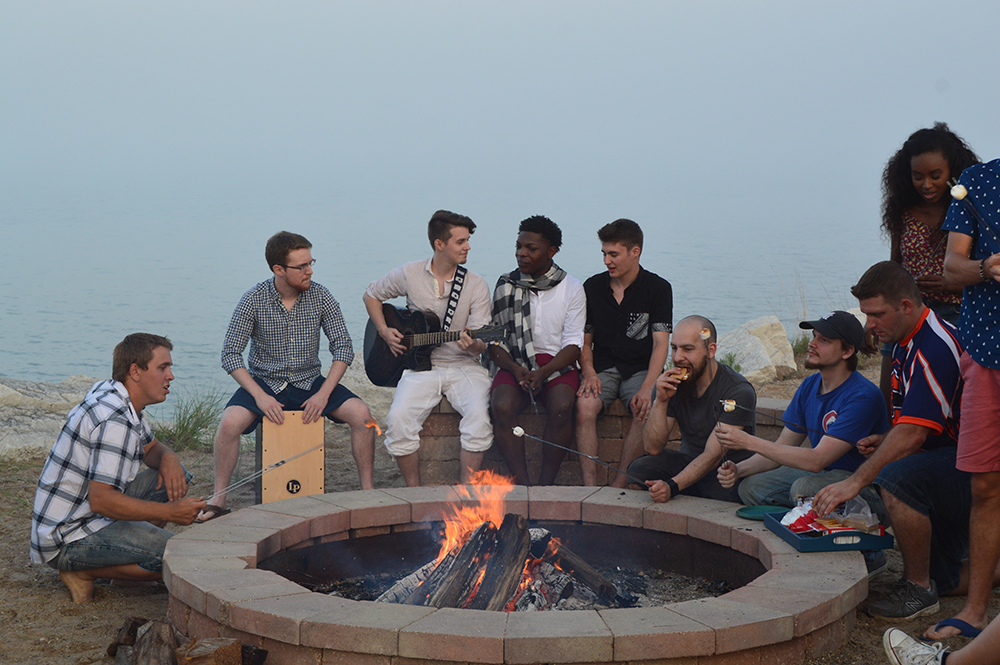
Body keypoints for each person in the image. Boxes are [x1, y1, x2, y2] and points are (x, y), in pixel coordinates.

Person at [814, 261, 966, 622]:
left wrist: (854, 481)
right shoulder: (905, 339)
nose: (869, 325)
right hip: (948, 455)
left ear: (906, 307)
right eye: (866, 315)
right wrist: (885, 439)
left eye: (877, 314)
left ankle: (917, 589)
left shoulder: (933, 347)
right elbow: (922, 421)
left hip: (972, 463)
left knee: (896, 478)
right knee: (947, 579)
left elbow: (914, 433)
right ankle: (934, 581)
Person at [199, 231, 375, 521]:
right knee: (230, 423)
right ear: (278, 269)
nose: (310, 271)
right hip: (264, 383)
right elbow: (230, 354)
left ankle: (367, 492)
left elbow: (343, 346)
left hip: (310, 381)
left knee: (363, 415)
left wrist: (324, 393)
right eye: (302, 266)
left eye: (311, 263)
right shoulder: (253, 299)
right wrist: (259, 396)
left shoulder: (321, 295)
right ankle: (219, 497)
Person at [30, 334, 206, 603]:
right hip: (66, 537)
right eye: (162, 368)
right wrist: (170, 512)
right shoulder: (114, 419)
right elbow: (102, 500)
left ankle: (125, 573)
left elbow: (152, 449)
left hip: (85, 514)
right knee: (177, 556)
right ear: (135, 371)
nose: (170, 376)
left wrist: (169, 458)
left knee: (177, 475)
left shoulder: (118, 396)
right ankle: (83, 573)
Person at [921, 158, 1000, 640]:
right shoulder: (978, 181)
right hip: (988, 350)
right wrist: (986, 267)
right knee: (985, 488)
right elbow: (951, 269)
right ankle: (975, 610)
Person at [363, 210, 493, 486]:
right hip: (420, 368)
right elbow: (371, 295)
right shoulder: (409, 273)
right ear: (439, 244)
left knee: (480, 419)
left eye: (468, 240)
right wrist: (385, 331)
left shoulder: (476, 285)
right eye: (460, 242)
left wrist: (474, 345)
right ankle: (415, 490)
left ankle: (466, 493)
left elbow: (481, 342)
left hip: (464, 367)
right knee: (398, 421)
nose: (468, 247)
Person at [716, 311, 888, 512]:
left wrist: (747, 441)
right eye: (814, 335)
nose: (812, 344)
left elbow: (817, 460)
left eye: (823, 340)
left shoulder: (863, 396)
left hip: (864, 486)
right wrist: (738, 470)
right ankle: (802, 516)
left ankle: (811, 516)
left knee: (805, 488)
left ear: (847, 351)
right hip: (824, 475)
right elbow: (781, 448)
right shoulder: (809, 385)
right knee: (751, 487)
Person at [877, 123, 980, 410]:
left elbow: (985, 270)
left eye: (936, 176)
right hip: (908, 311)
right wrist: (872, 318)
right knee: (891, 395)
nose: (926, 184)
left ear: (953, 173)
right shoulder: (903, 211)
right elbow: (894, 264)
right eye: (917, 176)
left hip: (957, 312)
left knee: (954, 397)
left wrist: (951, 284)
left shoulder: (969, 211)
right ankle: (889, 444)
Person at [487, 215, 586, 486]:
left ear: (551, 252)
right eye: (519, 246)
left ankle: (545, 485)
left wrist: (544, 372)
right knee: (501, 405)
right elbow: (495, 340)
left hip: (556, 364)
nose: (522, 253)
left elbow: (574, 344)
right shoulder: (506, 284)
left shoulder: (572, 288)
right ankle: (521, 484)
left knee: (563, 406)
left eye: (532, 248)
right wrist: (515, 369)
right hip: (515, 361)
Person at [575, 219, 672, 487]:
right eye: (604, 254)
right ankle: (590, 485)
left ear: (635, 252)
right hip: (603, 366)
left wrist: (648, 386)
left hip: (640, 368)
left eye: (613, 254)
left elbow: (661, 344)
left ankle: (620, 482)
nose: (607, 261)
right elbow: (584, 341)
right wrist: (589, 371)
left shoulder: (658, 289)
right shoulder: (592, 287)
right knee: (584, 406)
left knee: (646, 408)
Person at [628, 315, 757, 503]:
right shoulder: (671, 383)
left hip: (726, 471)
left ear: (710, 350)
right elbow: (653, 447)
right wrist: (660, 402)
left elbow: (713, 456)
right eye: (674, 348)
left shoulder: (737, 390)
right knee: (639, 471)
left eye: (688, 349)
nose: (678, 358)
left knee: (723, 491)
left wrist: (672, 486)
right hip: (689, 463)